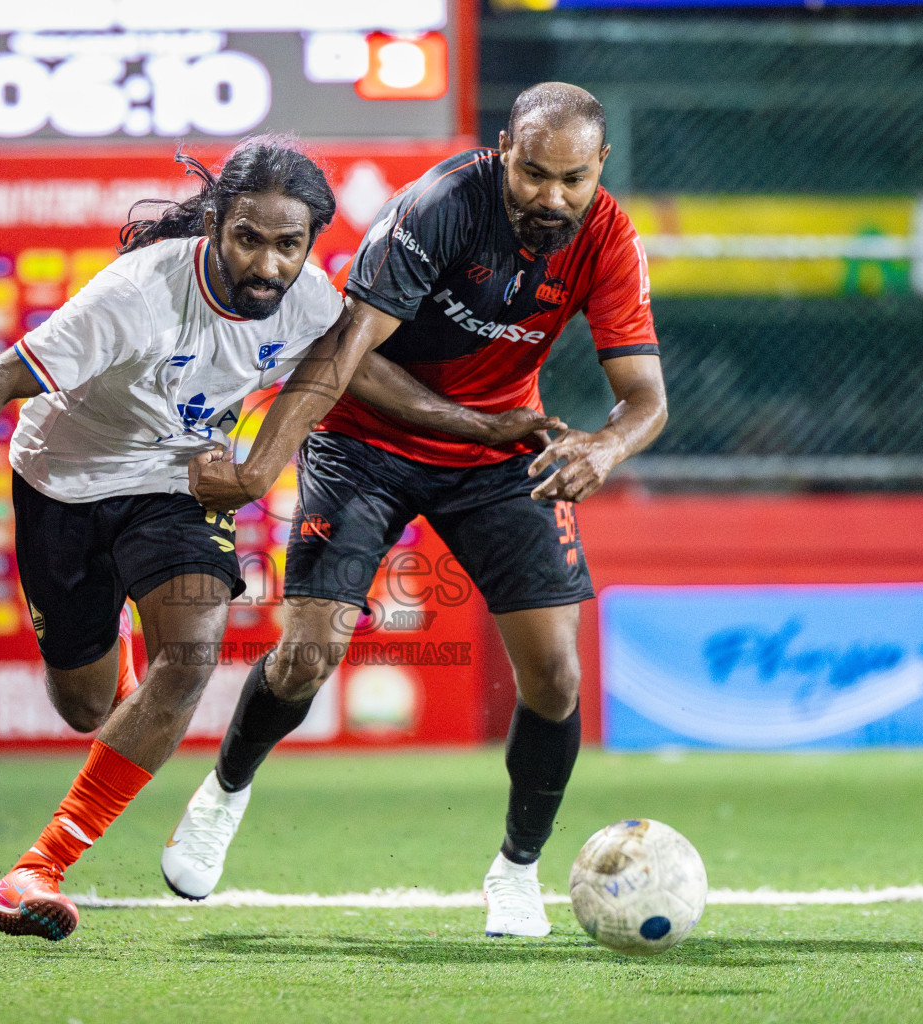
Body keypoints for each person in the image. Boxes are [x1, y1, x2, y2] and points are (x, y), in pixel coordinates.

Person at [0, 136, 555, 941]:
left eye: (288, 244)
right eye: (248, 239)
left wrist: (480, 426)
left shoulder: (308, 299)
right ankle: (120, 672)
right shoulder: (135, 296)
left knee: (193, 658)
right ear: (215, 225)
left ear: (310, 242)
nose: (268, 265)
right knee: (87, 705)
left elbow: (343, 369)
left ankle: (40, 866)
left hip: (179, 486)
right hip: (61, 486)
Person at [161, 82, 669, 939]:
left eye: (573, 180)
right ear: (506, 150)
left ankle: (517, 871)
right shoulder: (438, 206)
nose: (554, 197)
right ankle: (223, 793)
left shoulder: (611, 237)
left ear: (600, 170)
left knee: (555, 676)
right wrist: (263, 465)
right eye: (536, 174)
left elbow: (645, 400)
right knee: (307, 656)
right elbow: (347, 355)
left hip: (500, 458)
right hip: (365, 444)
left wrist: (604, 449)